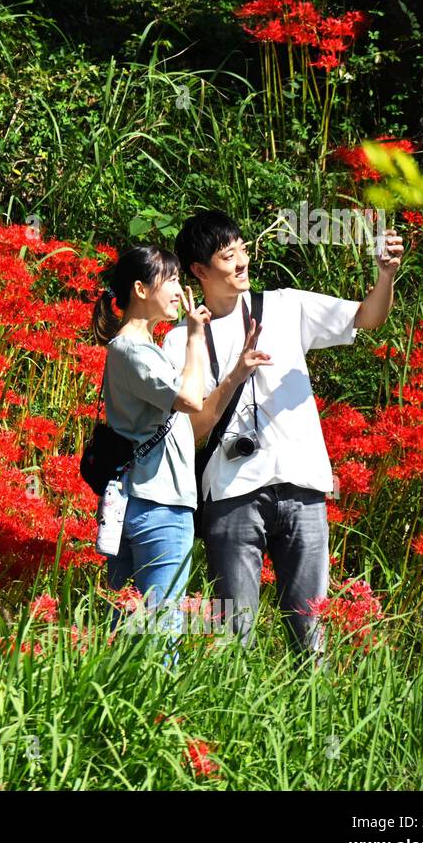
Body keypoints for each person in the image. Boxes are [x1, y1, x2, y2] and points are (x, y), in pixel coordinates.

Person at [162, 210, 403, 657]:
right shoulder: (182, 340)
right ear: (198, 270)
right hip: (231, 491)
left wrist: (385, 274)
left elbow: (369, 318)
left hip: (302, 483)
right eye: (228, 255)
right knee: (235, 634)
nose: (241, 262)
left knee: (311, 629)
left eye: (243, 249)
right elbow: (191, 432)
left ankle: (311, 718)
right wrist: (233, 376)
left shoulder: (286, 305)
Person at [93, 245, 257, 647]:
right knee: (161, 625)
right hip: (159, 504)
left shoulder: (141, 348)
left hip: (140, 499)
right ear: (140, 289)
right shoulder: (131, 350)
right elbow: (190, 400)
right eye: (169, 280)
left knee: (128, 624)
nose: (179, 290)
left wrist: (230, 371)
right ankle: (157, 708)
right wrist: (195, 337)